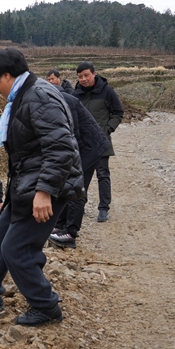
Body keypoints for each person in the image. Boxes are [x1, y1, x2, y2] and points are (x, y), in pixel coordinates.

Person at [0, 48, 83, 326]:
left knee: (17, 248)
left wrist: (44, 192)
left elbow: (61, 148)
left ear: (6, 75)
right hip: (27, 186)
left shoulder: (38, 96)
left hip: (48, 188)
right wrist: (11, 195)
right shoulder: (22, 95)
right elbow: (26, 154)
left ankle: (45, 306)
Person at [47, 79, 111, 248]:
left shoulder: (66, 101)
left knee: (76, 187)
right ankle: (60, 225)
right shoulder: (56, 100)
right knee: (65, 185)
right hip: (81, 147)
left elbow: (72, 134)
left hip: (90, 148)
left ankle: (70, 233)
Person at [72, 61, 124, 223]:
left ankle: (103, 208)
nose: (83, 79)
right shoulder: (76, 94)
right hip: (82, 144)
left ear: (94, 74)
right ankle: (80, 205)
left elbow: (118, 112)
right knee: (79, 177)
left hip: (100, 143)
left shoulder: (107, 92)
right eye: (80, 76)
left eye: (86, 75)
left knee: (102, 175)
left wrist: (107, 130)